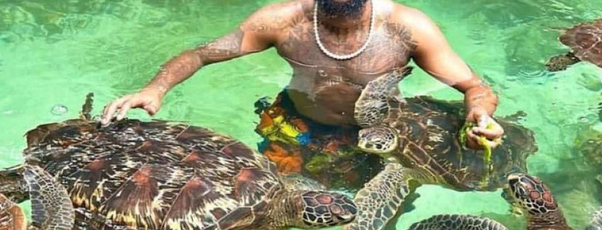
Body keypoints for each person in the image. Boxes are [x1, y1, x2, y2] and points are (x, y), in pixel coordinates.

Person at [102, 0, 504, 181]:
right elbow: (202, 54)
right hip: (297, 127)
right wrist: (155, 89)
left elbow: (474, 87)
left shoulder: (407, 27)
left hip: (380, 137)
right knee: (273, 202)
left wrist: (480, 115)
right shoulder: (281, 21)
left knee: (369, 219)